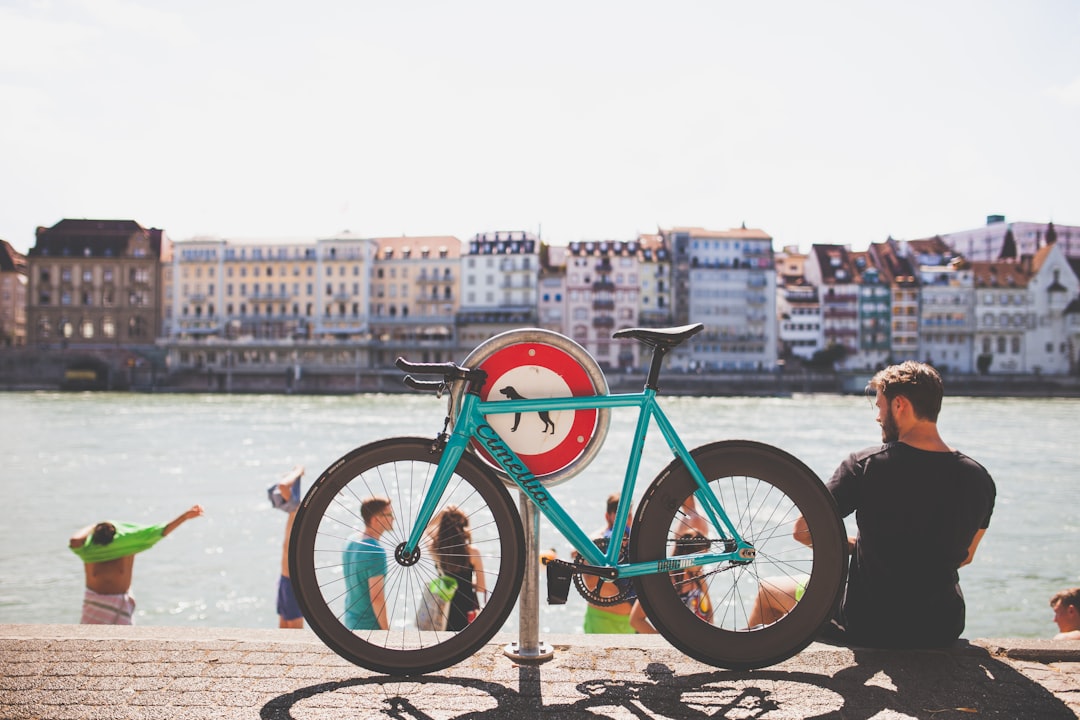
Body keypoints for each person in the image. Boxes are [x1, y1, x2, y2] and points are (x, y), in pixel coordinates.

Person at [753, 361, 996, 648]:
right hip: (941, 625)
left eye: (880, 406)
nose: (878, 417)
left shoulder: (865, 465)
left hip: (869, 622)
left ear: (900, 405)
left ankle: (747, 663)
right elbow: (965, 556)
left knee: (768, 590)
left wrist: (857, 546)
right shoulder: (978, 478)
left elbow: (803, 531)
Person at [69, 504, 204, 625]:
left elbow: (160, 531)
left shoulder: (128, 544)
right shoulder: (90, 549)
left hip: (119, 602)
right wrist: (94, 526)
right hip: (94, 603)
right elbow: (75, 540)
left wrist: (185, 517)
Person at [629, 532, 713, 633]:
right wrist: (662, 642)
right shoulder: (663, 581)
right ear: (687, 555)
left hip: (700, 642)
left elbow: (709, 611)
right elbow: (635, 620)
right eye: (701, 559)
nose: (703, 563)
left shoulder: (697, 576)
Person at [579, 494, 636, 634]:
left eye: (628, 516)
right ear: (607, 516)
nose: (626, 520)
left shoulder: (634, 539)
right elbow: (590, 583)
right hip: (600, 617)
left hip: (628, 620)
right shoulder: (597, 539)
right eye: (620, 516)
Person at [432, 506, 487, 630]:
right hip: (466, 607)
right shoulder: (472, 552)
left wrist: (443, 514)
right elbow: (481, 587)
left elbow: (426, 529)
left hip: (444, 606)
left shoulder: (435, 549)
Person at [343, 497, 394, 630]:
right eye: (389, 514)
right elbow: (376, 597)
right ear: (375, 519)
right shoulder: (375, 551)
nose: (393, 518)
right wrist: (386, 630)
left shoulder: (351, 541)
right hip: (369, 626)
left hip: (350, 621)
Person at [271, 465, 304, 629]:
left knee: (295, 634)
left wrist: (298, 471)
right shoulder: (294, 511)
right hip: (286, 579)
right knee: (284, 632)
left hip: (292, 581)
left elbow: (282, 486)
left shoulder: (298, 509)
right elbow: (282, 486)